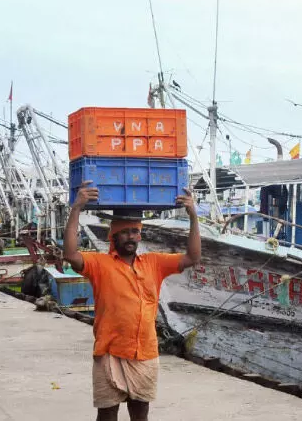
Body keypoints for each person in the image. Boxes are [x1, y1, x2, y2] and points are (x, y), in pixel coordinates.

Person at [63, 180, 201, 421]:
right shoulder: (99, 264)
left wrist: (193, 216)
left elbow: (192, 257)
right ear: (113, 236)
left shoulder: (154, 262)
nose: (130, 237)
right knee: (107, 415)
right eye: (124, 232)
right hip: (109, 351)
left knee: (140, 414)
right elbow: (71, 254)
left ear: (140, 235)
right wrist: (77, 208)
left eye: (135, 232)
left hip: (145, 352)